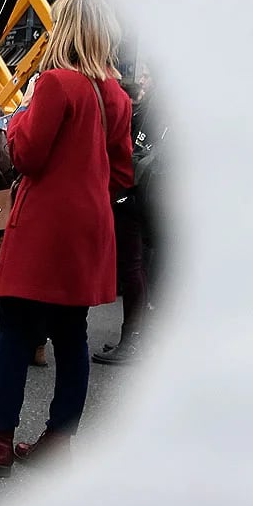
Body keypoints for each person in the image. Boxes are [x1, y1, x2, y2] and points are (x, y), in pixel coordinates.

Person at [0, 0, 134, 475]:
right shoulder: (118, 97)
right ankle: (60, 439)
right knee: (72, 334)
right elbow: (122, 175)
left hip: (44, 224)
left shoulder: (56, 83)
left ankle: (0, 440)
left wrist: (12, 131)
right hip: (88, 228)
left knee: (16, 331)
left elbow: (28, 156)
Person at [96, 58, 161, 365]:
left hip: (134, 195)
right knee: (135, 266)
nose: (143, 80)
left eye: (147, 75)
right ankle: (132, 338)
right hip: (140, 194)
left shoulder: (158, 110)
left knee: (134, 266)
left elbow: (139, 153)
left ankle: (133, 340)